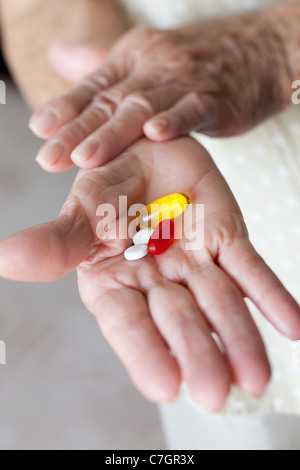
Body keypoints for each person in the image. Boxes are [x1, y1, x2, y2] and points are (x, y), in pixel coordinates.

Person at [1, 0, 300, 450]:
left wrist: (276, 44)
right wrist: (108, 100)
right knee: (236, 405)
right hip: (193, 202)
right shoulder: (161, 229)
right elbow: (36, 8)